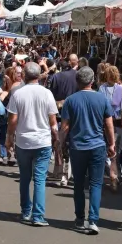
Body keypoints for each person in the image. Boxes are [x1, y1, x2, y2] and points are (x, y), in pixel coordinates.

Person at [60, 67, 115, 234]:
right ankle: (93, 220)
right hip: (97, 145)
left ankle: (79, 219)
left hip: (78, 146)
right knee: (95, 183)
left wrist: (61, 143)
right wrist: (112, 144)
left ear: (78, 81)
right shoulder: (102, 99)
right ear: (93, 81)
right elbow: (109, 124)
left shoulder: (70, 100)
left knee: (78, 183)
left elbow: (65, 126)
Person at [6, 62, 58, 226]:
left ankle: (26, 211)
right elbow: (53, 121)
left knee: (25, 177)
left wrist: (9, 137)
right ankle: (38, 215)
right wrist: (56, 137)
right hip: (42, 141)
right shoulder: (47, 93)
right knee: (40, 179)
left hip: (23, 141)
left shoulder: (18, 94)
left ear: (24, 76)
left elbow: (13, 120)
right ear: (38, 75)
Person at [49, 53, 80, 187]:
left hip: (59, 114)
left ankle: (59, 170)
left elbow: (51, 96)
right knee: (73, 144)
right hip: (76, 115)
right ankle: (70, 172)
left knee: (59, 143)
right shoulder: (78, 76)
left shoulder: (56, 77)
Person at [99, 65, 122, 192]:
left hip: (113, 121)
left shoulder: (106, 88)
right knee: (115, 148)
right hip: (117, 122)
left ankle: (114, 174)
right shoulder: (118, 88)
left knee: (114, 148)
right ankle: (114, 176)